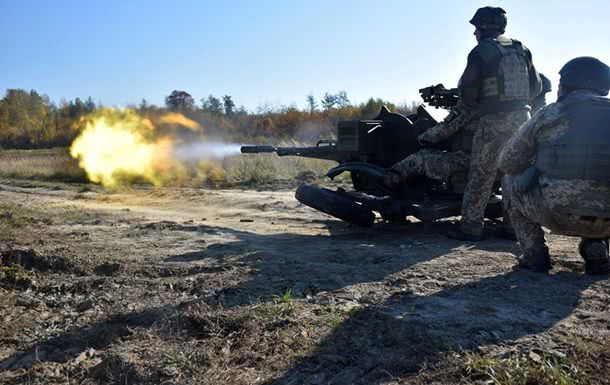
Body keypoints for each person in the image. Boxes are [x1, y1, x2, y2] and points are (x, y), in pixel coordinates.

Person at [387, 7, 541, 240]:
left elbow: (467, 93)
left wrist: (472, 103)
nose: (475, 33)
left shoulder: (482, 51)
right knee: (512, 174)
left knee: (481, 175)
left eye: (476, 28)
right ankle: (512, 228)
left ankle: (470, 228)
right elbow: (536, 87)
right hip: (522, 118)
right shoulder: (521, 49)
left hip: (494, 121)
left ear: (486, 27)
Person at [499, 56, 610, 274]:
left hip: (557, 215)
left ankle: (534, 256)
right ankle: (596, 252)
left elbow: (508, 163)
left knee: (510, 181)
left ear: (567, 86)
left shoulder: (549, 114)